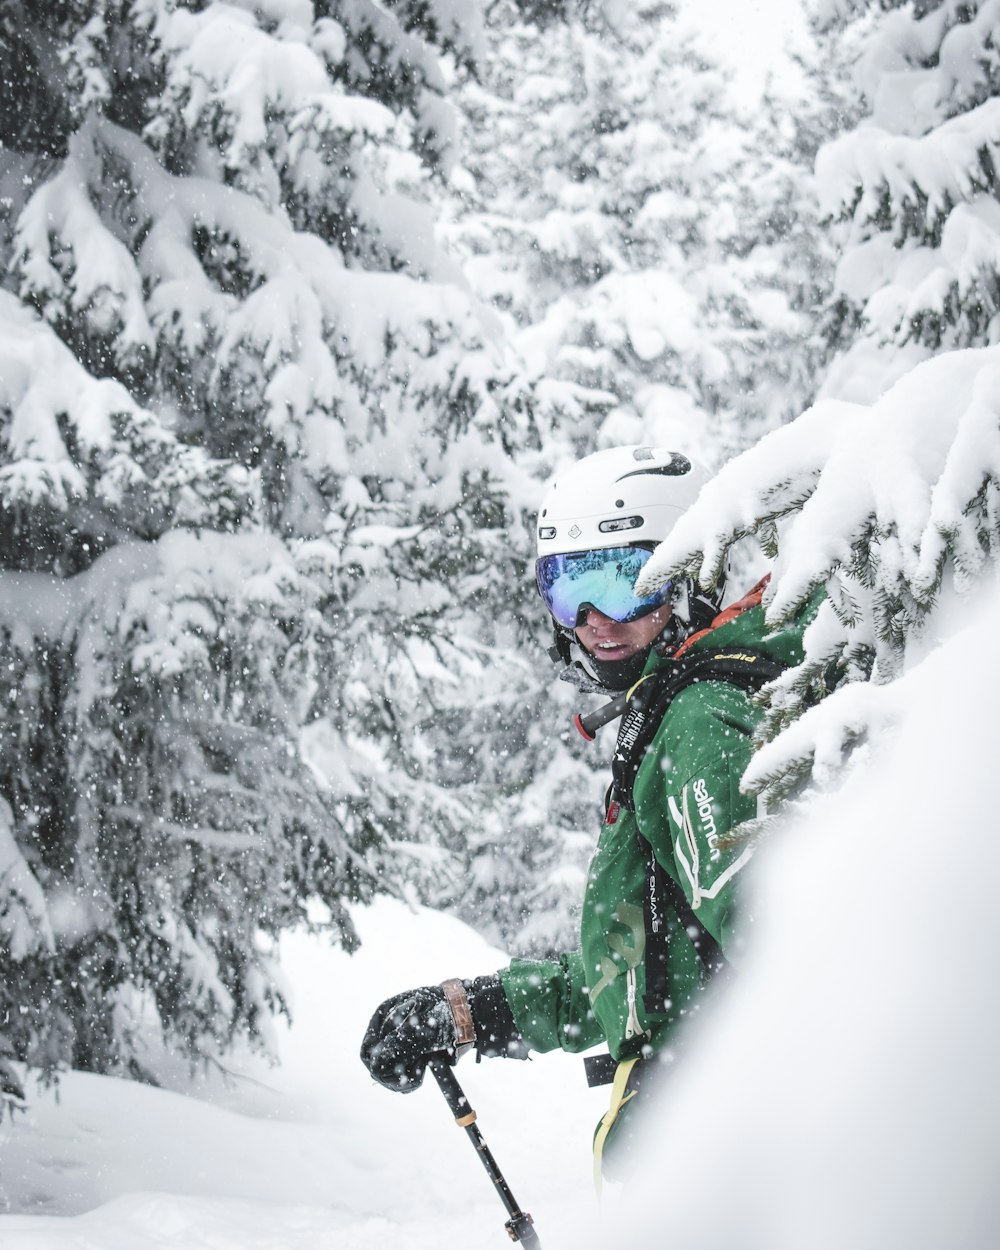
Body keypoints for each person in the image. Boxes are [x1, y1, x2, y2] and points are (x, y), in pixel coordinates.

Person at [361, 445, 818, 1177]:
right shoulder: (679, 707)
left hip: (722, 1168)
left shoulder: (701, 727)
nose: (596, 621)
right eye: (570, 589)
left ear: (691, 578)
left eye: (624, 582)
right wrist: (474, 1011)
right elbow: (646, 974)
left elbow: (805, 963)